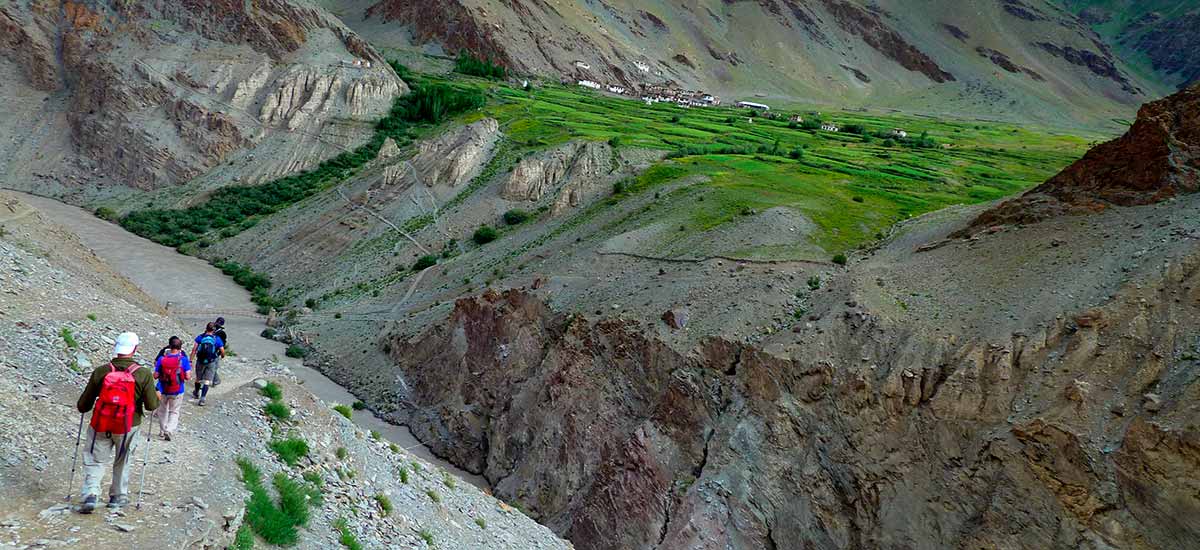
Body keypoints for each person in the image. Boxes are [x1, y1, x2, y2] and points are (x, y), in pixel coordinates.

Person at [75, 332, 159, 513]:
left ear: (117, 348)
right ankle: (117, 497)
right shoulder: (143, 374)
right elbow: (152, 405)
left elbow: (84, 404)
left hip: (101, 423)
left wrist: (84, 407)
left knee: (95, 459)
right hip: (128, 425)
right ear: (135, 349)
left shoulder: (101, 371)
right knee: (123, 459)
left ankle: (91, 493)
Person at [154, 336, 191, 441]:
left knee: (162, 410)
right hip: (177, 390)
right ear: (180, 347)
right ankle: (169, 430)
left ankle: (162, 431)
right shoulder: (183, 360)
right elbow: (188, 377)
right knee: (174, 411)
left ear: (170, 346)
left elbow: (155, 376)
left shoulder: (162, 359)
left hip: (163, 389)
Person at [189, 322, 224, 406]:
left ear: (206, 328)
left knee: (198, 378)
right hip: (211, 361)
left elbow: (194, 350)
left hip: (200, 361)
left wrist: (190, 360)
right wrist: (222, 356)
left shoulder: (200, 337)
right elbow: (222, 350)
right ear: (214, 329)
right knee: (207, 381)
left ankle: (196, 392)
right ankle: (203, 398)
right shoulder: (216, 339)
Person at [212, 317, 228, 387]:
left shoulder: (221, 333)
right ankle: (214, 380)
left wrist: (221, 353)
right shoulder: (215, 331)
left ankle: (216, 380)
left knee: (213, 367)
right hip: (212, 351)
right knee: (212, 367)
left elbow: (222, 344)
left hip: (216, 352)